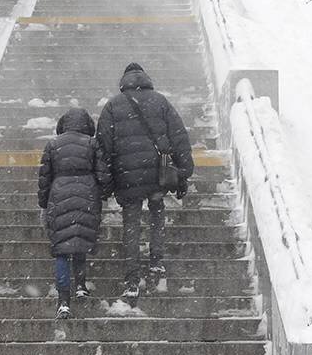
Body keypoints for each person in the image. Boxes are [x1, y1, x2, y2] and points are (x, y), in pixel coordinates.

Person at [96, 62, 194, 304]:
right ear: (145, 78)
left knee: (131, 222)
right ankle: (156, 261)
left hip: (126, 176)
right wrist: (183, 172)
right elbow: (180, 137)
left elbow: (102, 149)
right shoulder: (160, 102)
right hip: (156, 174)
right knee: (157, 212)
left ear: (124, 80)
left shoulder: (112, 106)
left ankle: (131, 278)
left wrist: (106, 183)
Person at [37, 107, 111, 319]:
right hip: (87, 194)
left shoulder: (52, 145)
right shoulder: (92, 143)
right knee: (80, 239)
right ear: (87, 125)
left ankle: (63, 300)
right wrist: (104, 193)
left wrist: (44, 203)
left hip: (59, 195)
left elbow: (44, 179)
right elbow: (103, 175)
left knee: (61, 248)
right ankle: (80, 285)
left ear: (63, 124)